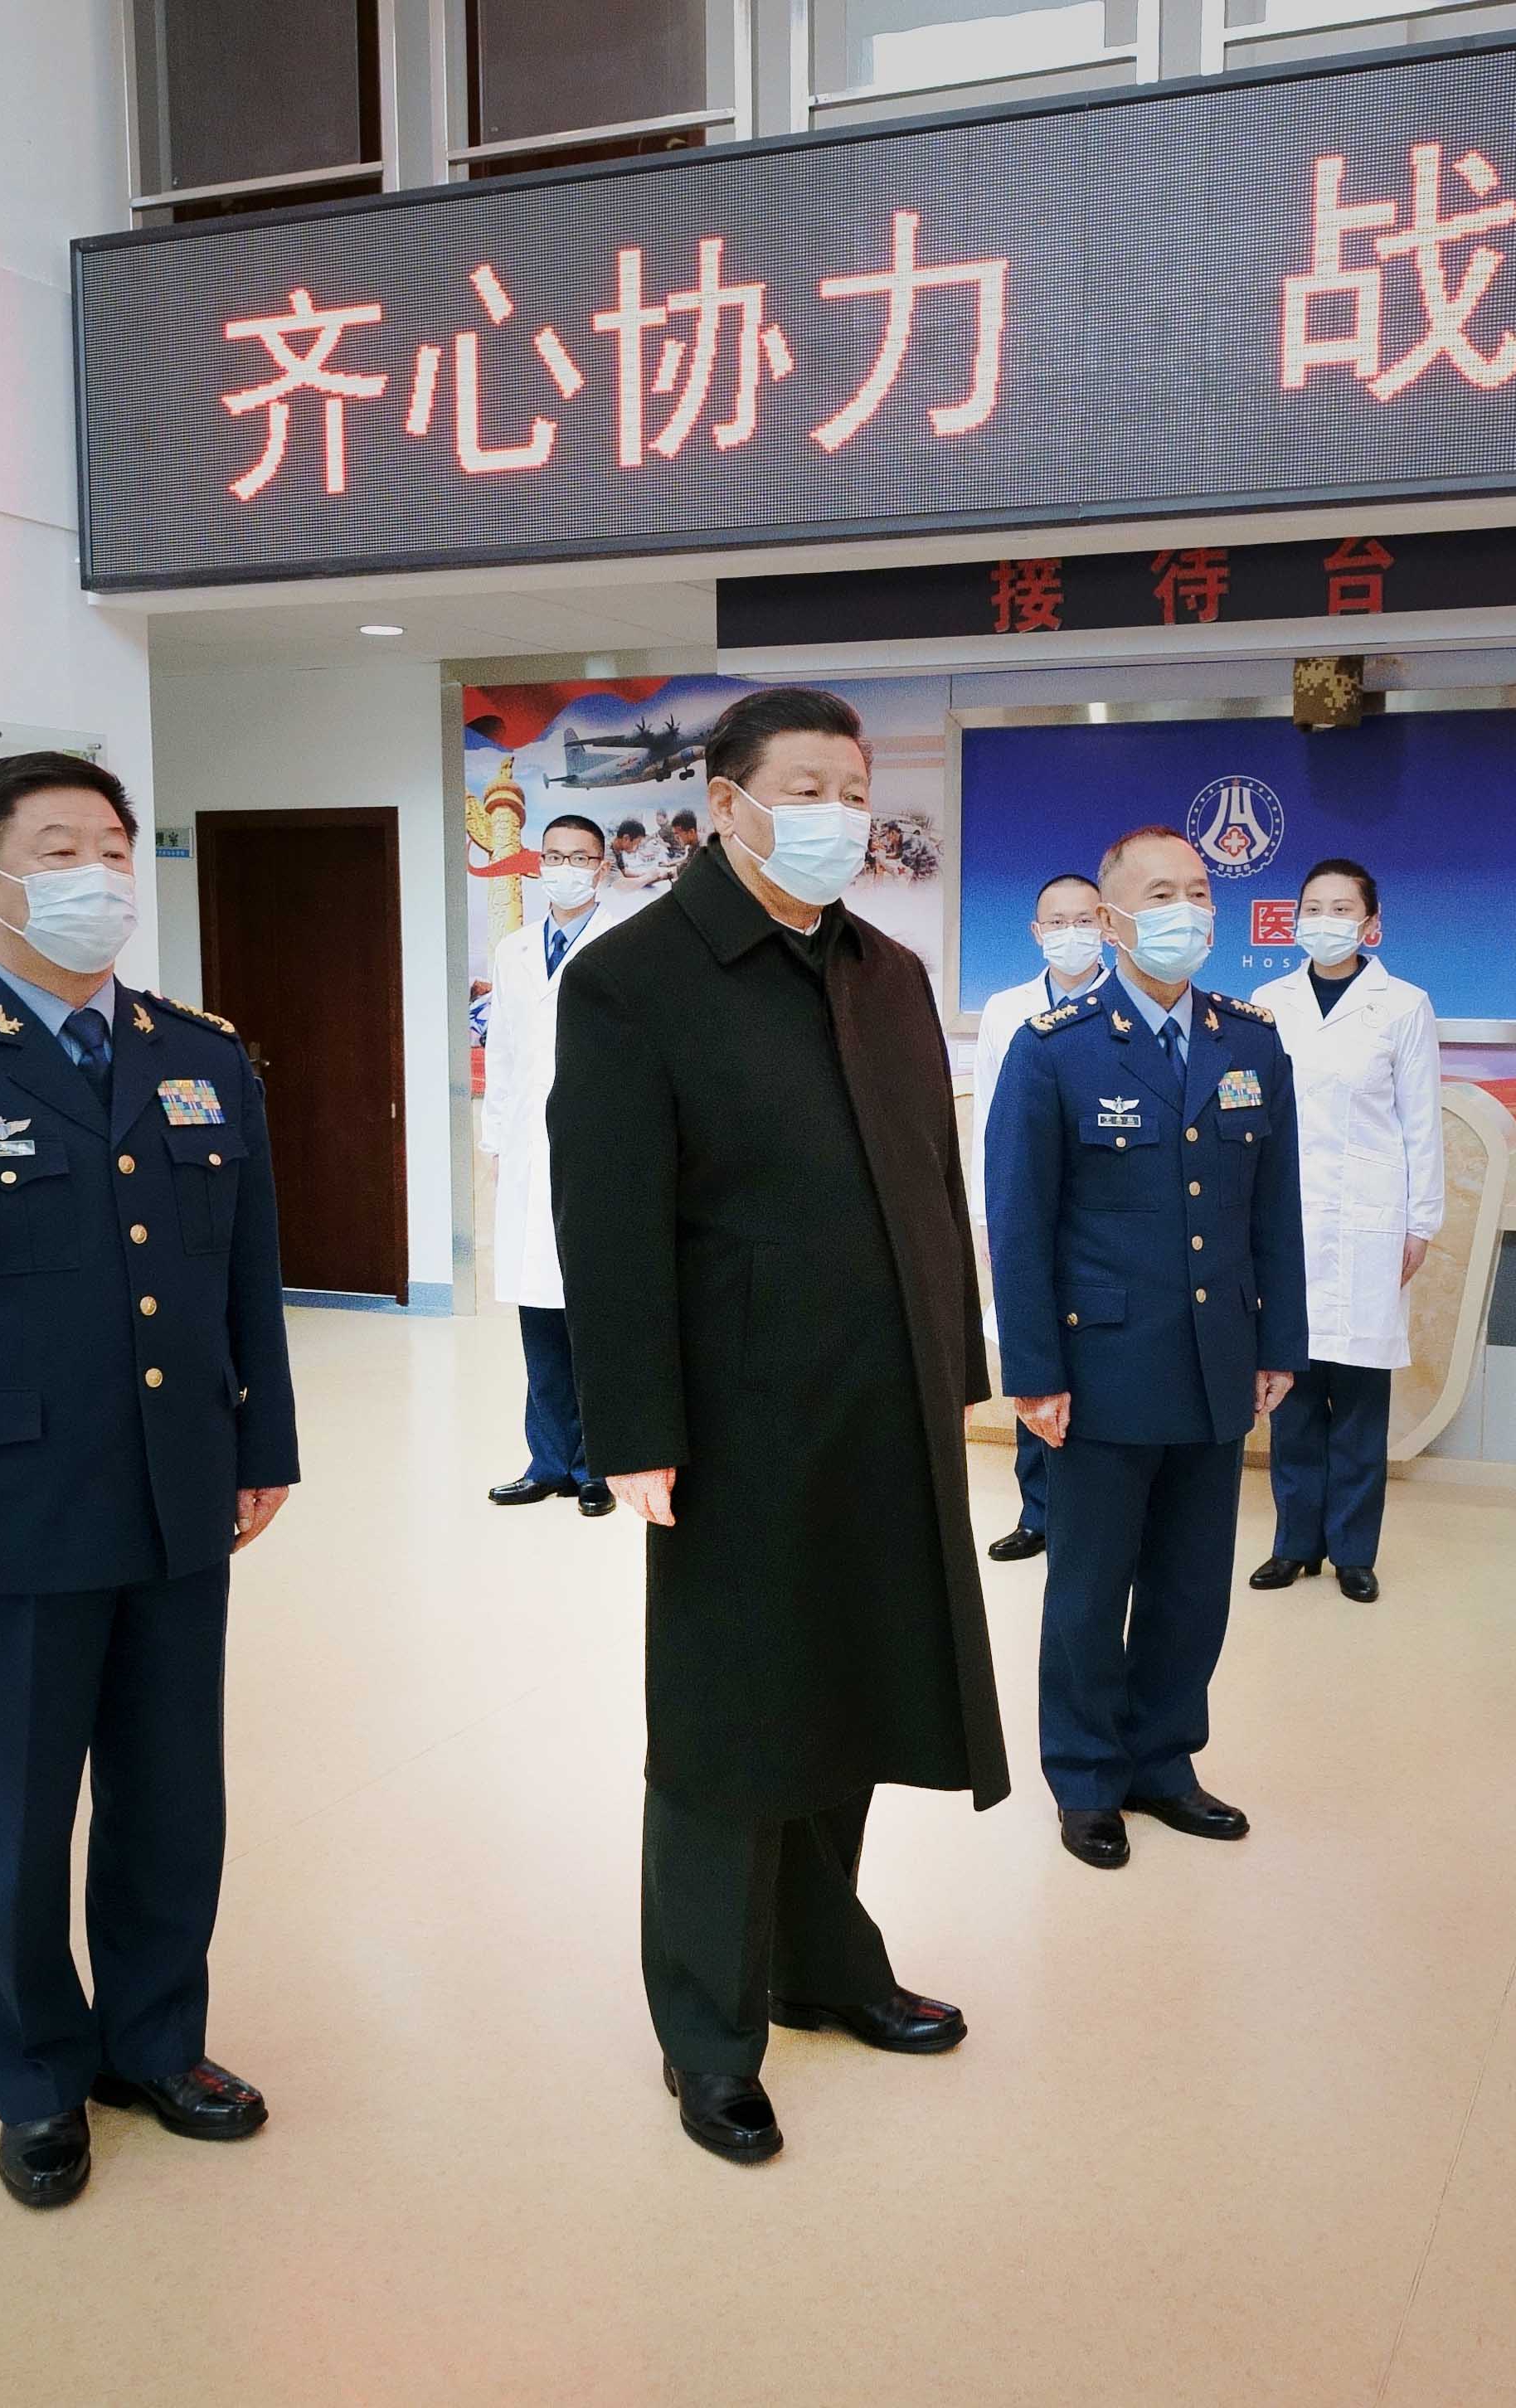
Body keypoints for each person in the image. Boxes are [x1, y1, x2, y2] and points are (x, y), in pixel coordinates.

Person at [0, 751, 299, 2208]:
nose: (98, 876)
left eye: (114, 848)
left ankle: (156, 2042)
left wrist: (261, 1443)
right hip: (4, 1510)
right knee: (16, 1819)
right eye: (59, 850)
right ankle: (34, 2075)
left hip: (175, 1491)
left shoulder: (199, 1056)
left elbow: (245, 1274)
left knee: (171, 1798)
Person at [549, 687, 1005, 2169]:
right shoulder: (634, 979)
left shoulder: (885, 972)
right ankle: (708, 2032)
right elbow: (606, 1221)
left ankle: (823, 1963)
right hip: (735, 1417)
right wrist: (631, 1428)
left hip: (880, 1400)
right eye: (803, 787)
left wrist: (956, 1362)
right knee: (727, 1722)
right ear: (727, 802)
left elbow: (933, 1180)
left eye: (852, 788)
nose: (835, 814)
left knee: (849, 1685)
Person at [987, 826, 1307, 1872]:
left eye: (1200, 891)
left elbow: (1275, 1209)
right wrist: (1033, 1372)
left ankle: (1164, 1763)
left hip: (1218, 1361)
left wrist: (1278, 1342)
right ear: (1113, 917)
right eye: (1162, 894)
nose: (1189, 912)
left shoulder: (1248, 1040)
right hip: (1102, 1369)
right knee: (1090, 1587)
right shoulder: (1055, 1047)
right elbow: (1020, 1222)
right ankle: (1086, 1777)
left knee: (1191, 1585)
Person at [1246, 860, 1443, 1605]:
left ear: (1371, 925)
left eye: (1341, 908)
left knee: (1359, 1393)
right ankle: (1294, 1544)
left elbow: (1421, 1122)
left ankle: (1354, 1552)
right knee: (1291, 1386)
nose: (1324, 920)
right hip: (1285, 1218)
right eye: (1312, 907)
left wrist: (1420, 1223)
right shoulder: (1268, 1003)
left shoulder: (1404, 1005)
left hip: (1369, 1220)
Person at [481, 813, 641, 1517]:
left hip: (603, 1154)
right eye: (554, 855)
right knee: (539, 1315)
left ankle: (599, 1466)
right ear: (537, 863)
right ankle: (548, 1462)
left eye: (580, 857)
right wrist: (495, 1144)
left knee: (595, 1318)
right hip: (527, 1153)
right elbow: (505, 1057)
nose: (565, 868)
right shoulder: (513, 951)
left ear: (602, 867)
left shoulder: (630, 946)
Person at [967, 872, 1108, 1563]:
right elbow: (990, 1122)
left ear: (1107, 925)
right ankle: (1038, 1512)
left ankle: (1095, 1516)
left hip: (1101, 1214)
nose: (1070, 933)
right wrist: (988, 1215)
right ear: (1035, 932)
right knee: (1033, 1351)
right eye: (1057, 922)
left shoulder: (1128, 1003)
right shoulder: (1006, 1010)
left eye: (1084, 920)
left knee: (1099, 1364)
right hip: (1026, 1211)